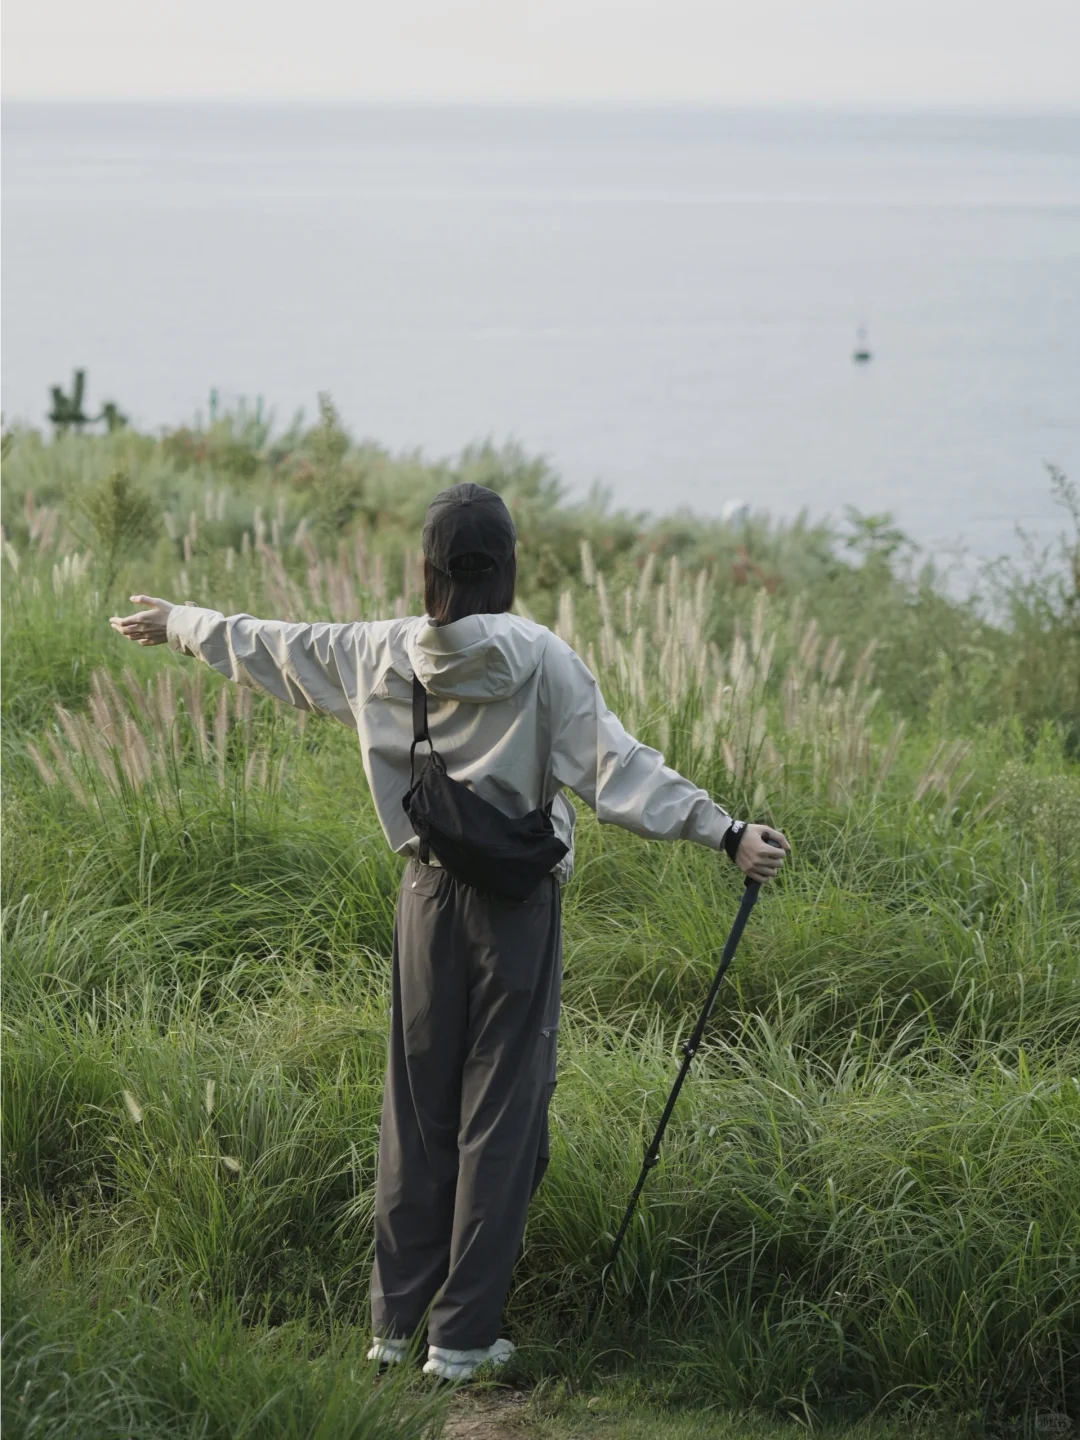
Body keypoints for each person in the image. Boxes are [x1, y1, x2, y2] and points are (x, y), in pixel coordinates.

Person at [109, 482, 790, 1381]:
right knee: (500, 1117)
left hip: (425, 901)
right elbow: (618, 771)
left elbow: (273, 645)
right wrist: (727, 832)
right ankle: (463, 1341)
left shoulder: (380, 651)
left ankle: (394, 1327)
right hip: (516, 908)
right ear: (508, 568)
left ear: (427, 571)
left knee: (417, 1111)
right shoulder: (543, 659)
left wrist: (182, 622)